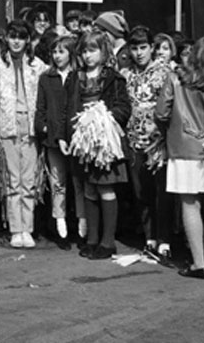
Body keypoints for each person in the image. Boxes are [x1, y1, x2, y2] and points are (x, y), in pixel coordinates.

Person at [155, 36, 204, 279]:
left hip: (183, 146)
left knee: (189, 203)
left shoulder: (176, 77)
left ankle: (199, 264)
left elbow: (162, 112)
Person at [69, 29, 131, 260]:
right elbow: (69, 108)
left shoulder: (113, 78)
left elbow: (124, 107)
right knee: (88, 188)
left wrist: (103, 117)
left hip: (105, 144)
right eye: (84, 50)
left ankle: (108, 242)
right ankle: (92, 239)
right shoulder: (76, 78)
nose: (88, 55)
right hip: (83, 144)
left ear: (103, 51)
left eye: (92, 50)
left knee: (105, 187)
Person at [0, 20, 47, 248]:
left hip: (30, 126)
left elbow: (44, 98)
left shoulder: (38, 65)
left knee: (29, 180)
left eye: (21, 37)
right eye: (12, 36)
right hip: (7, 125)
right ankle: (16, 229)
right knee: (12, 179)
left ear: (27, 40)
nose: (16, 42)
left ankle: (28, 228)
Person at [125, 26, 174, 265]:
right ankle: (150, 237)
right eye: (134, 48)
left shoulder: (165, 72)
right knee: (141, 191)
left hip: (159, 141)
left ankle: (164, 239)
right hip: (134, 139)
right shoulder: (127, 74)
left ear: (152, 48)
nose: (139, 53)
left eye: (143, 47)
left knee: (161, 192)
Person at [35, 35, 86, 249]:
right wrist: (46, 129)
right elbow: (41, 110)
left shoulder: (79, 77)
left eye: (61, 52)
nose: (57, 56)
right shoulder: (46, 77)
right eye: (54, 52)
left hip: (76, 139)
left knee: (79, 182)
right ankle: (60, 219)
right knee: (58, 181)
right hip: (54, 140)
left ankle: (82, 220)